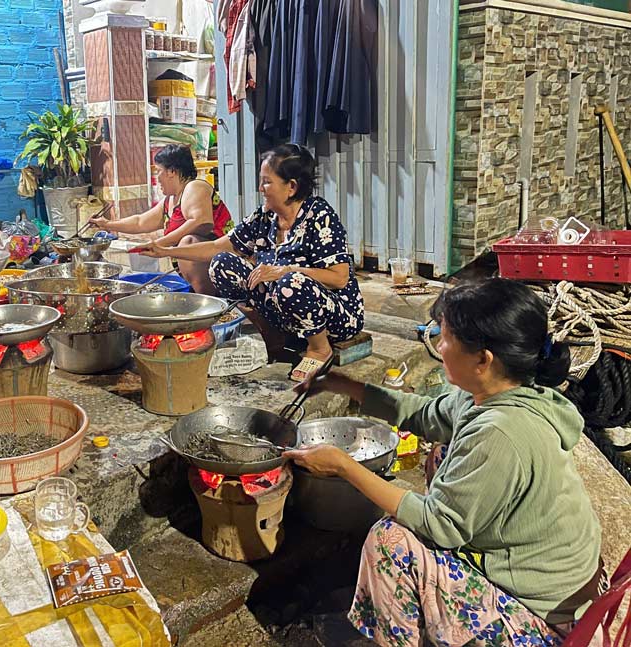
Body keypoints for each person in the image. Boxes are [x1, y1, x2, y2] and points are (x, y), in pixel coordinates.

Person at [285, 278, 604, 646]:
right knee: (441, 453)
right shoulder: (497, 390)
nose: (439, 345)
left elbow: (439, 525)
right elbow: (424, 415)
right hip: (535, 573)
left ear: (483, 359)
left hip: (544, 617)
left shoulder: (501, 432)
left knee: (390, 542)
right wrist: (342, 384)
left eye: (446, 337)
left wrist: (344, 466)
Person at [138, 143, 363, 383]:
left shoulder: (319, 215)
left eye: (267, 182)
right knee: (222, 264)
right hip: (283, 307)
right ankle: (271, 333)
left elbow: (339, 277)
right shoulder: (265, 216)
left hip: (335, 316)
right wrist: (165, 250)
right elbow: (217, 247)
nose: (261, 189)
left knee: (291, 282)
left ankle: (319, 349)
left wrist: (286, 270)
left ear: (292, 187)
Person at [90, 144, 232, 295]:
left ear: (172, 171)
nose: (157, 178)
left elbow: (200, 221)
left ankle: (210, 304)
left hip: (222, 263)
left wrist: (160, 245)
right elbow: (140, 222)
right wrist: (107, 224)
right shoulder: (169, 200)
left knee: (188, 242)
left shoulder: (195, 187)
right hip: (197, 269)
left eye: (159, 171)